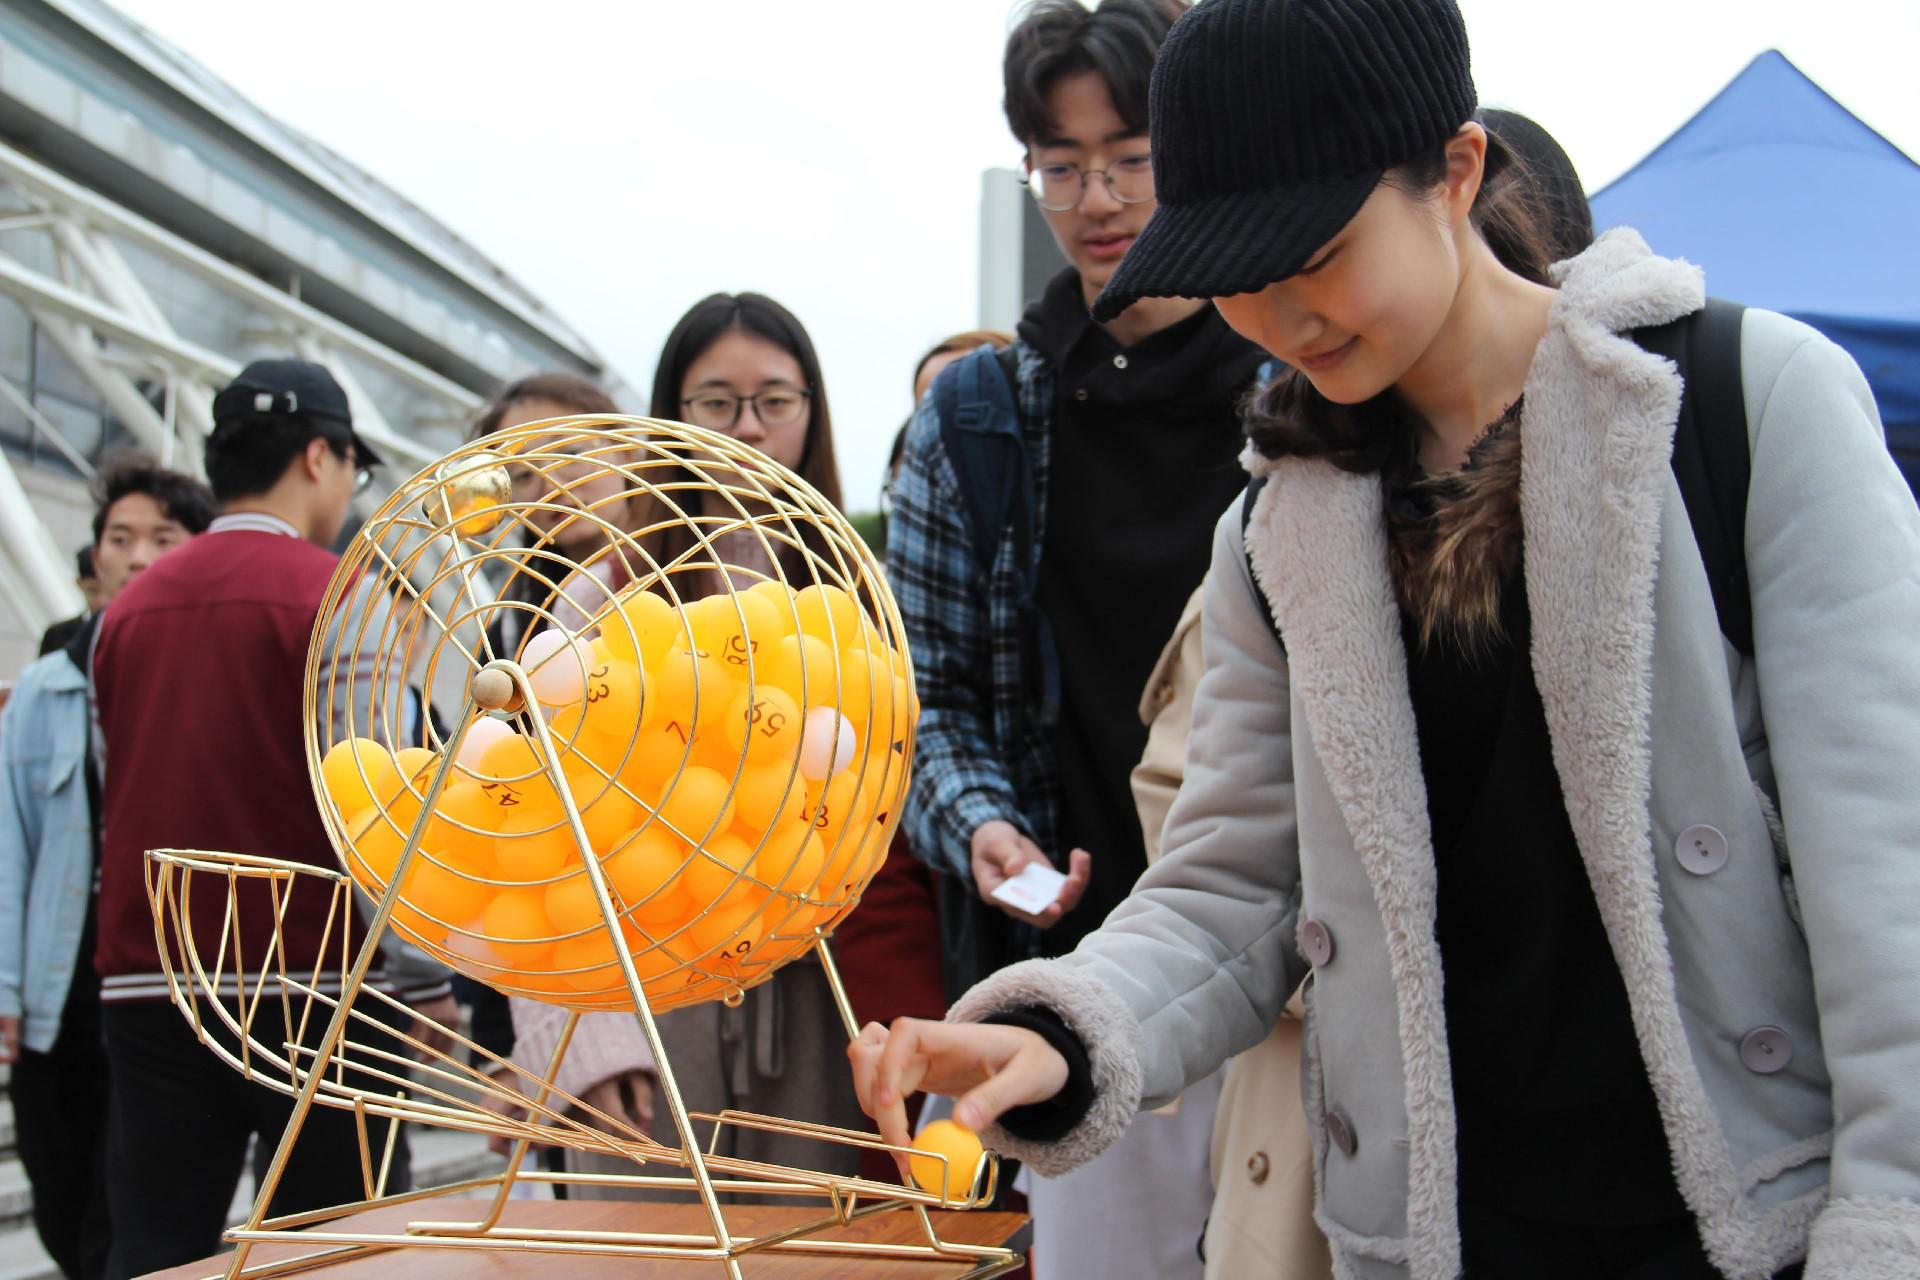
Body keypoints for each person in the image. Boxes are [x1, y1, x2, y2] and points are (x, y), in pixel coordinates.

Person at [852, 1, 1920, 1277]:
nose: (1278, 315)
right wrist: (1062, 1028)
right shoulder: (1281, 528)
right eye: (1232, 273)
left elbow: (1888, 864)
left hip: (1758, 1216)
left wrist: (1890, 1222)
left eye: (1315, 253)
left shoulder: (1740, 402)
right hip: (1451, 1227)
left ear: (1455, 171)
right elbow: (1230, 886)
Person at [886, 2, 1266, 1274]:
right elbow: (924, 699)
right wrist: (980, 822)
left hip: (1296, 980)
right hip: (1079, 980)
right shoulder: (977, 419)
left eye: (1132, 157)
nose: (1097, 200)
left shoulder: (1298, 386)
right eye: (1061, 165)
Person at [89, 360, 456, 1278]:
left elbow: (113, 791)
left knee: (157, 1249)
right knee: (336, 1252)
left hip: (149, 978)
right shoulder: (342, 596)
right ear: (319, 457)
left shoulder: (124, 614)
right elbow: (376, 806)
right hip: (315, 985)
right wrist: (423, 980)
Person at [506, 294, 873, 1198]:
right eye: (715, 401)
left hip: (819, 1012)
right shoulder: (603, 593)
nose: (747, 429)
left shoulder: (856, 596)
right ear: (670, 412)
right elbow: (528, 822)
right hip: (639, 1009)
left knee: (812, 1248)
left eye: (774, 401)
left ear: (812, 412)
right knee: (640, 1248)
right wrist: (581, 1041)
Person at [0, 460, 215, 1280]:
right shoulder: (45, 689)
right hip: (64, 979)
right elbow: (11, 844)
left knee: (135, 1214)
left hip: (165, 976)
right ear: (95, 557)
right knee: (60, 1190)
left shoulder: (207, 680)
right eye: (120, 539)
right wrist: (7, 987)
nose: (138, 557)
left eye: (164, 537)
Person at [37, 547, 104, 658]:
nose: (101, 600)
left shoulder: (127, 633)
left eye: (108, 591)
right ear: (79, 584)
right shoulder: (57, 635)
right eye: (93, 591)